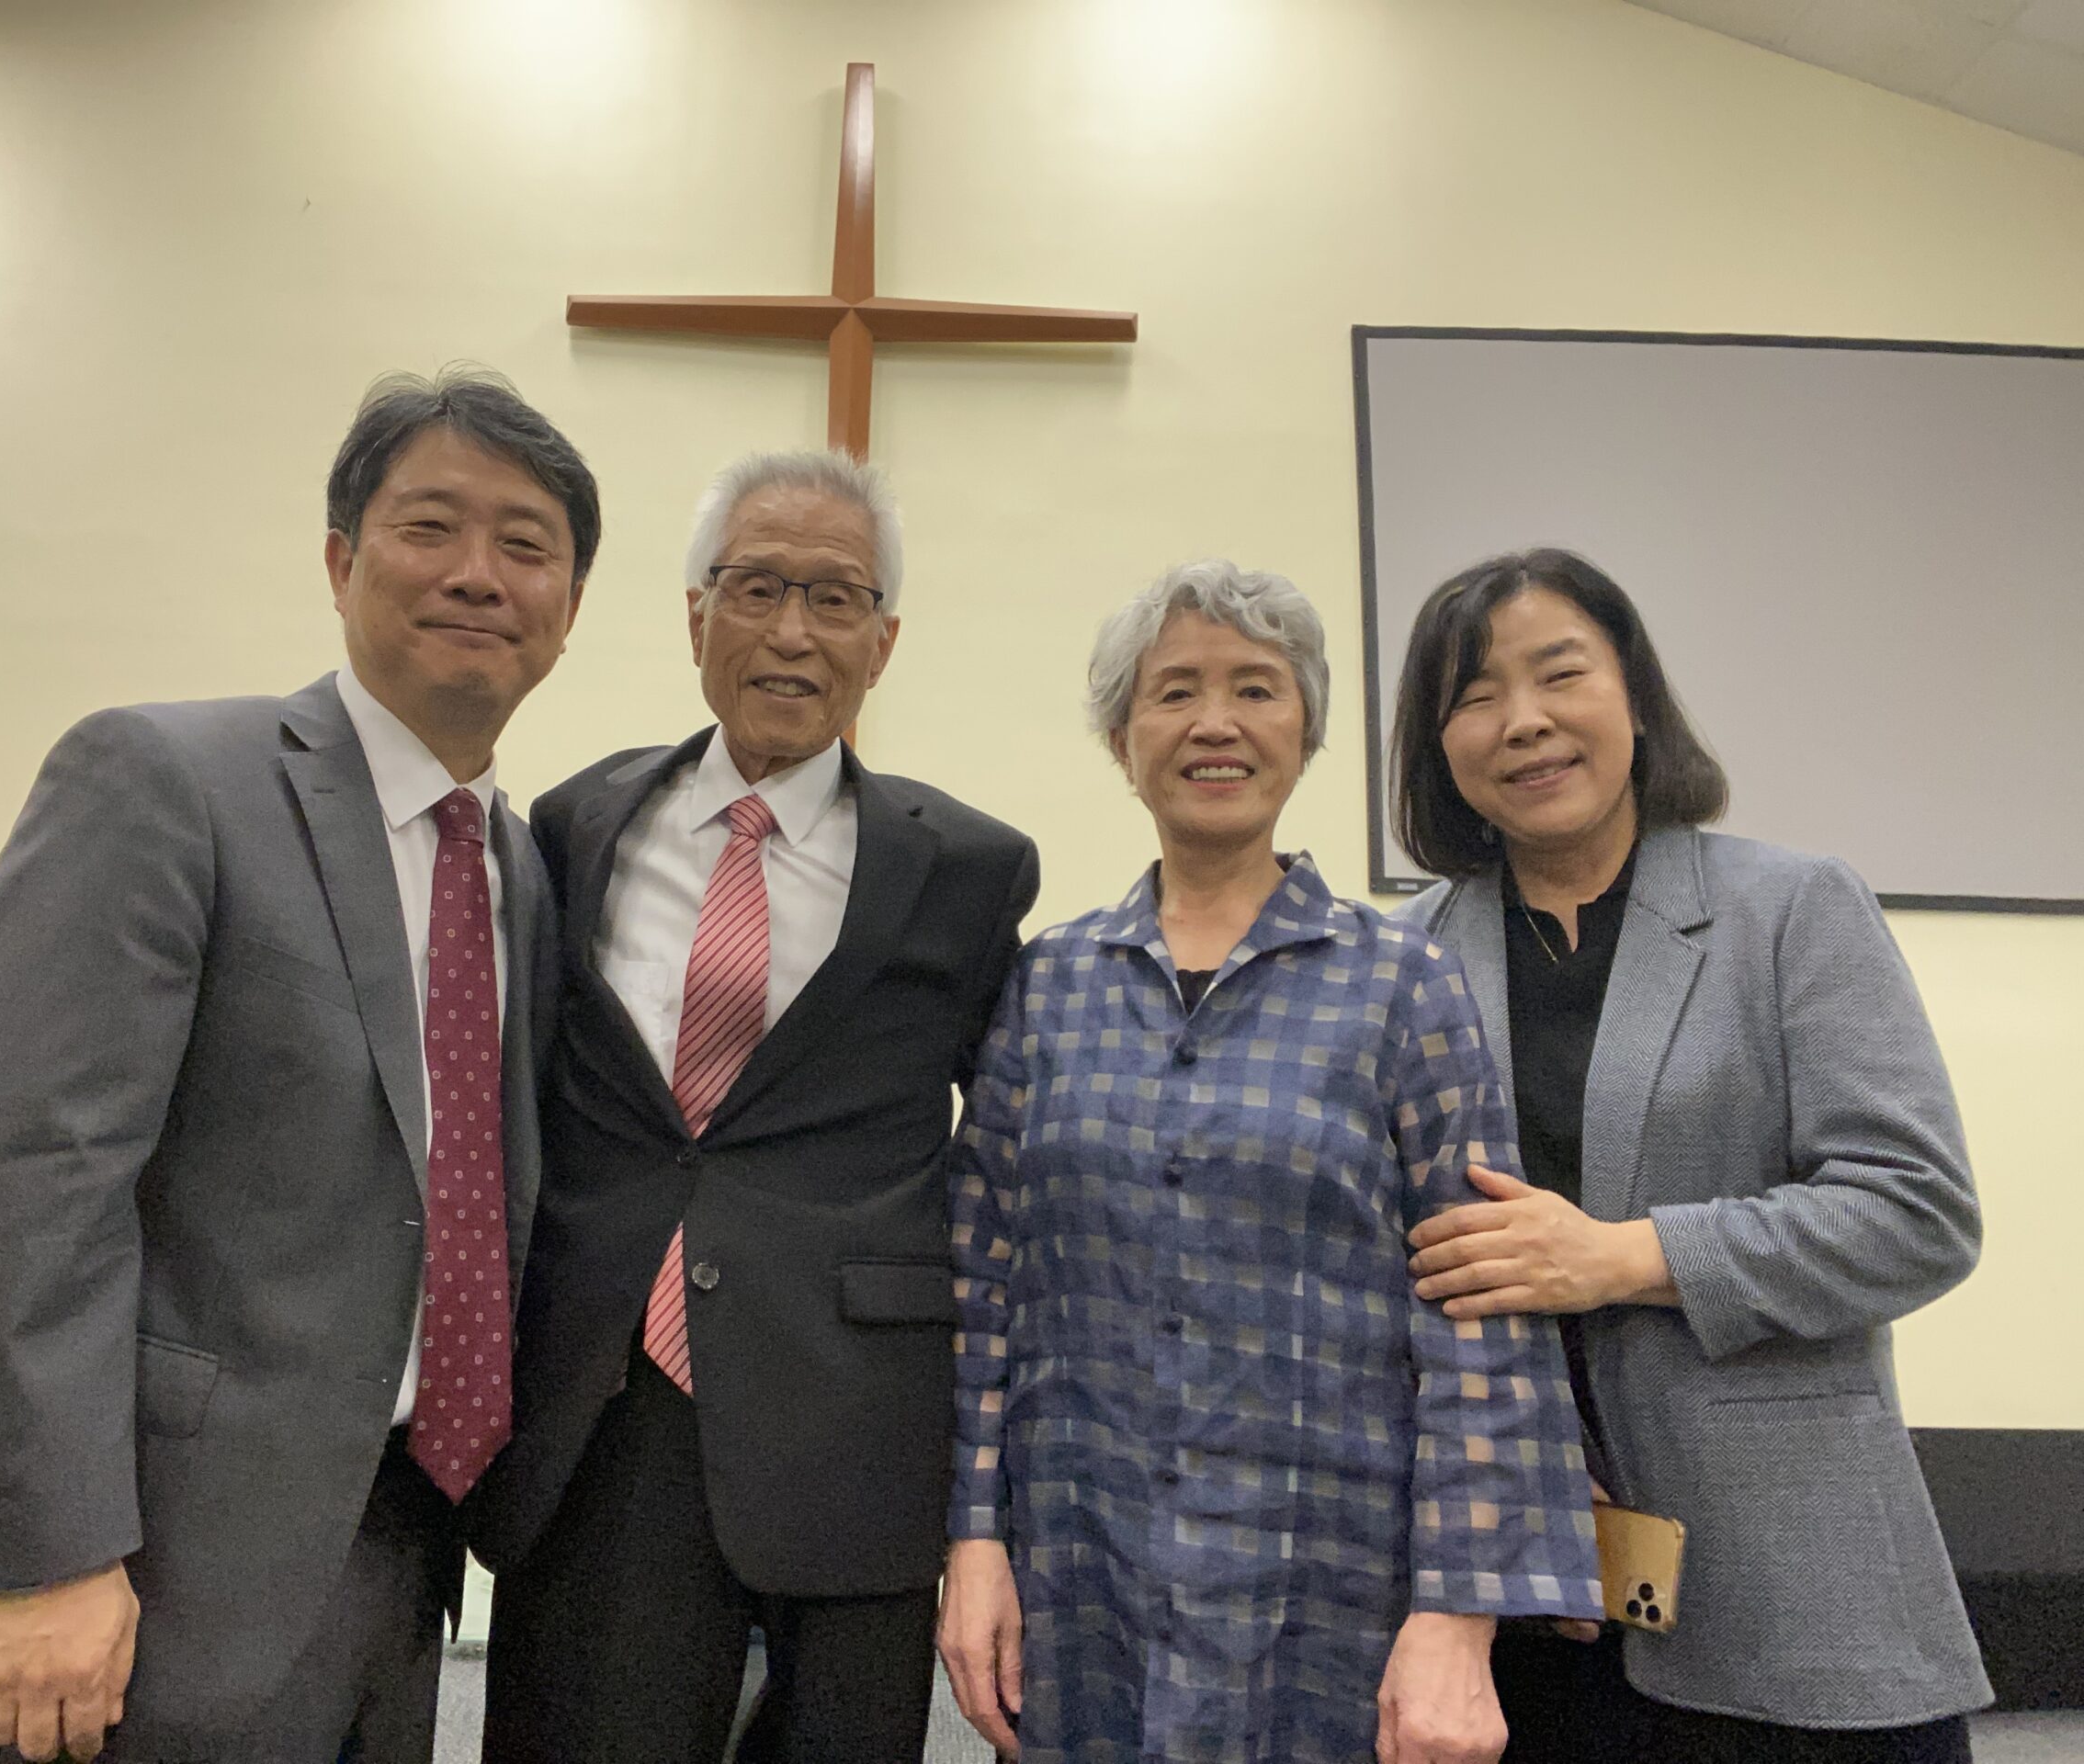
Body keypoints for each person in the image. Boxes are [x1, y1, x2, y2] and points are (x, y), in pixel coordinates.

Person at [0, 368, 597, 1763]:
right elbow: (28, 1174)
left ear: (568, 608)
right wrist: (47, 1554)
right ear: (340, 561)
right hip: (142, 1564)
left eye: (527, 544)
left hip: (398, 1549)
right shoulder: (167, 779)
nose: (478, 573)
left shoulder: (519, 867)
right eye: (431, 525)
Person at [938, 560, 1602, 1764]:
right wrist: (975, 1541)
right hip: (1085, 1580)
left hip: (1331, 1598)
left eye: (1256, 688)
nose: (1216, 723)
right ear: (1122, 738)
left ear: (1306, 732)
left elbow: (1482, 1309)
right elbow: (985, 1290)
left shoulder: (1402, 984)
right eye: (1174, 691)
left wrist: (1459, 1619)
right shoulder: (1049, 986)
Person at [466, 448, 1040, 1764]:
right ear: (695, 616)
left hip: (855, 1423)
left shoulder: (965, 870)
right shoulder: (574, 825)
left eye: (836, 598)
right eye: (758, 587)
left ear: (883, 642)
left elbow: (1012, 1151)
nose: (792, 631)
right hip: (607, 1405)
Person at [1387, 548, 1989, 1763]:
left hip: (1792, 1588)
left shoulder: (1792, 909)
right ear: (1438, 746)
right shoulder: (1401, 959)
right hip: (1517, 1597)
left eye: (1561, 673)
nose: (1525, 721)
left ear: (1635, 693)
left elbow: (1917, 1212)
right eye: (1476, 696)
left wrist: (1623, 1257)